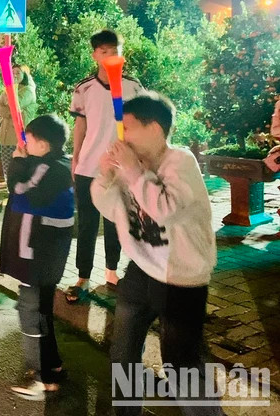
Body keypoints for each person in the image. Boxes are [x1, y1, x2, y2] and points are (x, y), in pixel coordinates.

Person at [91, 93, 221, 415]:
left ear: (154, 129)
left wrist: (133, 171)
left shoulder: (180, 162)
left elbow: (166, 210)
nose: (120, 136)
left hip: (181, 278)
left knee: (181, 366)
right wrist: (105, 175)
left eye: (127, 127)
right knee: (122, 354)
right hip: (140, 270)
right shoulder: (131, 165)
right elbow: (109, 208)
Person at [0, 114, 74, 400]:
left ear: (42, 145)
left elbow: (22, 193)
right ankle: (53, 366)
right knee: (41, 310)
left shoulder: (49, 169)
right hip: (44, 254)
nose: (25, 145)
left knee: (31, 313)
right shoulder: (58, 164)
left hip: (37, 255)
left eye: (28, 140)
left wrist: (17, 163)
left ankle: (42, 378)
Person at [66, 30, 143, 303]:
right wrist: (76, 157)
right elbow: (81, 125)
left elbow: (139, 125)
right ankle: (83, 277)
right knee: (87, 223)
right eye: (105, 51)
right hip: (89, 166)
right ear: (95, 55)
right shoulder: (84, 88)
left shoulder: (133, 87)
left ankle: (112, 272)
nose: (111, 56)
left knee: (116, 221)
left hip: (120, 167)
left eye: (115, 51)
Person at [0, 61, 37, 178]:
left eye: (18, 73)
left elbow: (15, 105)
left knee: (19, 172)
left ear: (25, 75)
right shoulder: (8, 89)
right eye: (12, 73)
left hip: (19, 138)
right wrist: (8, 111)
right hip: (5, 137)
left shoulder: (28, 90)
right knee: (7, 171)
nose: (14, 75)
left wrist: (6, 110)